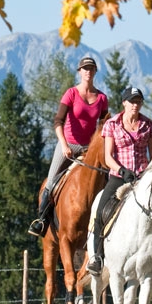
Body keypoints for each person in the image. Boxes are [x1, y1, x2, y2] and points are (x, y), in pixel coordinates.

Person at [86, 86, 152, 276]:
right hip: (119, 177)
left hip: (144, 180)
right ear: (124, 103)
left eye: (138, 102)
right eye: (132, 101)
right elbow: (108, 156)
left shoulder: (148, 125)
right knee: (102, 210)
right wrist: (121, 170)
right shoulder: (112, 124)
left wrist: (148, 174)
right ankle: (98, 257)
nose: (135, 105)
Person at [28, 56, 109, 237]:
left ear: (95, 72)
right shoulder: (71, 94)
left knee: (109, 182)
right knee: (51, 182)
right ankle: (41, 220)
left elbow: (105, 127)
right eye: (85, 68)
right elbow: (58, 121)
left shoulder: (102, 98)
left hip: (90, 150)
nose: (88, 71)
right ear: (79, 72)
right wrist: (64, 145)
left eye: (91, 68)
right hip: (69, 145)